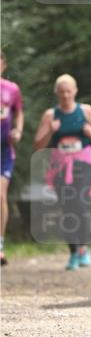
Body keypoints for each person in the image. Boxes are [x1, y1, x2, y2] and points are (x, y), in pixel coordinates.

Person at [33, 74, 91, 270]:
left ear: (75, 91)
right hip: (60, 166)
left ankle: (83, 248)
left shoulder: (85, 110)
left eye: (69, 91)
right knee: (67, 209)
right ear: (56, 93)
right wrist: (50, 131)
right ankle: (73, 252)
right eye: (62, 91)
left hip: (82, 163)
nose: (66, 95)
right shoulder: (50, 115)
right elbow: (38, 145)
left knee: (80, 204)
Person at [1, 51, 24, 266]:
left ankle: (0, 245)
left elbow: (19, 112)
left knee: (0, 194)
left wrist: (18, 130)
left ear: (3, 65)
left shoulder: (11, 89)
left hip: (4, 150)